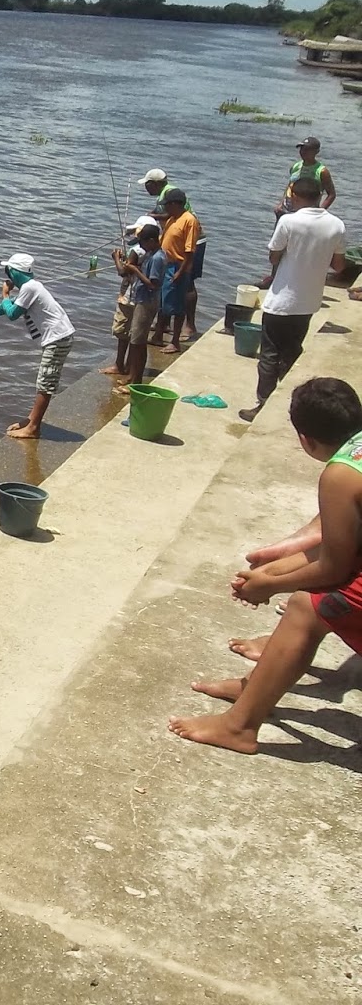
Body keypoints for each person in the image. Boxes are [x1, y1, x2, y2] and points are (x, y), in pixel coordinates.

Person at [169, 377, 362, 755]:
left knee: (307, 608)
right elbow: (335, 526)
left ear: (305, 439)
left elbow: (336, 568)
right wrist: (275, 563)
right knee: (312, 603)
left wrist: (268, 586)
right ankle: (259, 683)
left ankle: (239, 725)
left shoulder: (340, 473)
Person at [239, 176, 347, 422]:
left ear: (295, 197)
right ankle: (291, 404)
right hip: (308, 303)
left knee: (269, 354)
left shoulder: (289, 221)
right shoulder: (337, 225)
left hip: (281, 301)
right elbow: (339, 266)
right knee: (292, 352)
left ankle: (263, 404)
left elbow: (274, 257)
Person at [0, 253, 75, 440]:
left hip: (57, 338)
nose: (7, 276)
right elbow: (15, 305)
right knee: (43, 380)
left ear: (14, 272)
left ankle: (34, 428)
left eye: (8, 271)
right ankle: (31, 420)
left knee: (45, 382)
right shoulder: (31, 287)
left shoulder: (30, 287)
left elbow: (12, 313)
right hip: (58, 337)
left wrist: (4, 293)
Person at [114, 218, 164, 394]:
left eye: (143, 242)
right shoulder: (151, 254)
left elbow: (154, 284)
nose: (141, 246)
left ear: (151, 241)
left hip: (147, 302)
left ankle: (136, 380)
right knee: (135, 340)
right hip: (141, 299)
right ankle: (132, 375)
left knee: (138, 342)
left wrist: (135, 270)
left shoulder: (158, 257)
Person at [152, 187, 199, 354]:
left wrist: (180, 273)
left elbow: (189, 251)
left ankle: (175, 341)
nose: (165, 209)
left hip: (178, 266)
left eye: (167, 205)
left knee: (177, 306)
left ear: (175, 204)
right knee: (163, 303)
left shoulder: (189, 220)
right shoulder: (173, 218)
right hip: (166, 263)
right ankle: (158, 334)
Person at [101, 221, 144, 379]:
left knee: (122, 332)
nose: (133, 235)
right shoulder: (149, 251)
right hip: (139, 298)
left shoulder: (137, 250)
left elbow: (122, 272)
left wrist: (116, 258)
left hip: (129, 298)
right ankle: (127, 365)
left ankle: (120, 365)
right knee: (132, 334)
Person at [280, 136, 336, 215]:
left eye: (307, 149)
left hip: (308, 212)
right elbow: (290, 186)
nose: (303, 152)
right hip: (287, 209)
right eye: (302, 149)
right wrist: (280, 204)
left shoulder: (322, 171)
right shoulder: (296, 166)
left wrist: (320, 211)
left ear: (316, 151)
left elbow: (331, 194)